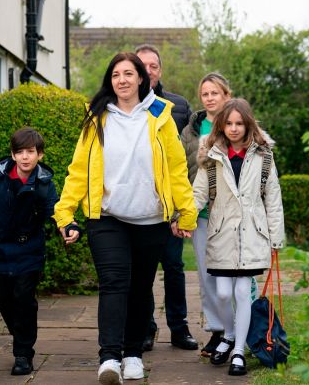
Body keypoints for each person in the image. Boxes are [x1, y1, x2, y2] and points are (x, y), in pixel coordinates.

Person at [53, 52, 197, 385]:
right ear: (110, 80)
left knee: (140, 288)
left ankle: (133, 354)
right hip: (107, 218)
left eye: (129, 73)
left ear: (141, 79)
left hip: (151, 220)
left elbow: (176, 169)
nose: (122, 79)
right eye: (116, 74)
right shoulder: (96, 116)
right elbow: (79, 169)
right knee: (114, 284)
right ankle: (109, 358)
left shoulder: (161, 114)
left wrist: (185, 212)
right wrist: (65, 211)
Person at [192, 98, 285, 376]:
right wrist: (183, 217)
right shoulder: (211, 154)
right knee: (221, 293)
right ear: (221, 125)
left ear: (248, 124)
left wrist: (276, 238)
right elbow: (198, 192)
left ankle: (238, 351)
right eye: (229, 123)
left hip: (252, 234)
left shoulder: (263, 155)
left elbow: (273, 197)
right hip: (221, 233)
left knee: (243, 292)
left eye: (239, 123)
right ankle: (230, 333)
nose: (234, 129)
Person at [0, 127, 58, 376]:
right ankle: (22, 334)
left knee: (24, 299)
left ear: (40, 155)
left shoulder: (44, 183)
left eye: (31, 152)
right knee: (1, 298)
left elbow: (55, 211)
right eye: (20, 152)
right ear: (13, 154)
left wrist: (67, 227)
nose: (25, 157)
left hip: (29, 250)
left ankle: (23, 354)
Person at [134, 44, 197, 351]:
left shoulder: (179, 105)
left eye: (154, 66)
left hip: (169, 205)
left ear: (160, 70)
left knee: (173, 267)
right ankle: (146, 328)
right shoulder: (122, 105)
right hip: (137, 204)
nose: (149, 70)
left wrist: (182, 207)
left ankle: (179, 328)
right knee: (143, 272)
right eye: (142, 65)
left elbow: (183, 157)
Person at [180, 72, 233, 357]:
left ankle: (237, 329)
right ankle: (217, 330)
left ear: (226, 95)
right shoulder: (191, 130)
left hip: (230, 214)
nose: (210, 98)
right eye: (205, 93)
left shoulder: (236, 124)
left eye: (215, 93)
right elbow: (180, 169)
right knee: (206, 274)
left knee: (233, 275)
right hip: (199, 212)